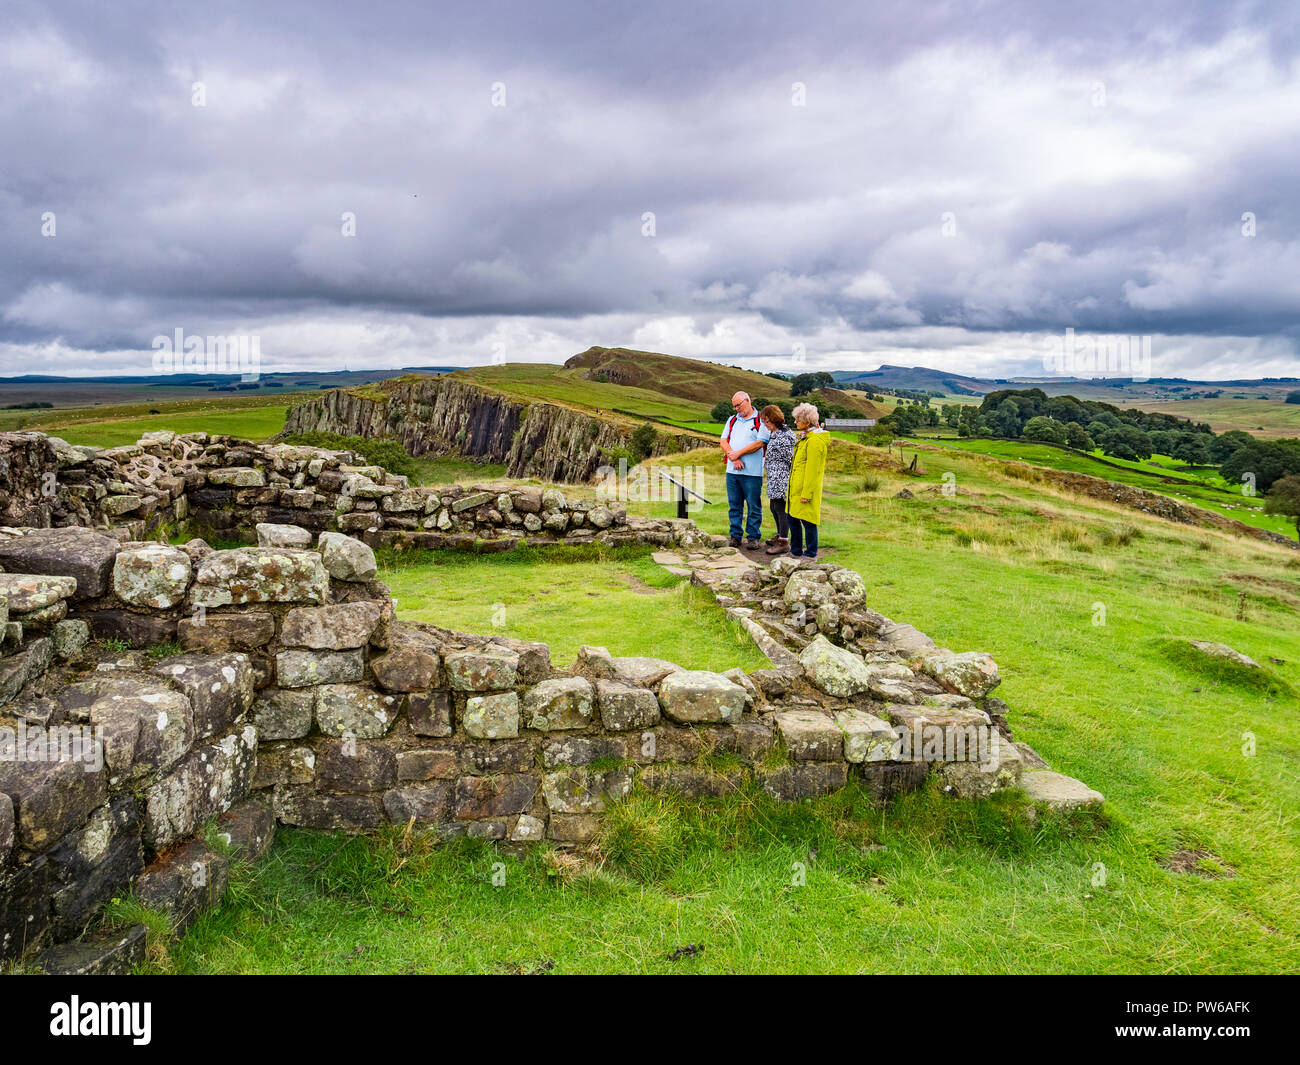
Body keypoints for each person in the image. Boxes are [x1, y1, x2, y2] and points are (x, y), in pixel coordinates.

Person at [719, 391, 770, 548]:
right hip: (732, 471)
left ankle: (753, 537)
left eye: (738, 405)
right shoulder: (732, 420)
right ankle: (735, 536)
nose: (736, 409)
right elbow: (723, 440)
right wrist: (733, 457)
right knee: (734, 504)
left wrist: (738, 453)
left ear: (747, 400)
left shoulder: (761, 420)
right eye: (734, 406)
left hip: (753, 472)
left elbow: (760, 442)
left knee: (753, 505)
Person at [786, 402, 829, 559]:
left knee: (808, 521)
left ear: (807, 421)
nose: (795, 422)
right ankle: (795, 550)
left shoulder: (815, 441)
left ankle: (811, 553)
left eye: (798, 419)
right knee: (792, 518)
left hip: (805, 489)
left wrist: (807, 493)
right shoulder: (806, 438)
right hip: (796, 487)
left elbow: (812, 470)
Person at [759, 404, 796, 555]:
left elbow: (790, 459)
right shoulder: (775, 433)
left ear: (773, 419)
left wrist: (783, 475)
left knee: (781, 509)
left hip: (782, 477)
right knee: (773, 507)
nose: (764, 424)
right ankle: (780, 535)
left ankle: (784, 542)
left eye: (766, 421)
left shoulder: (785, 435)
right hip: (774, 477)